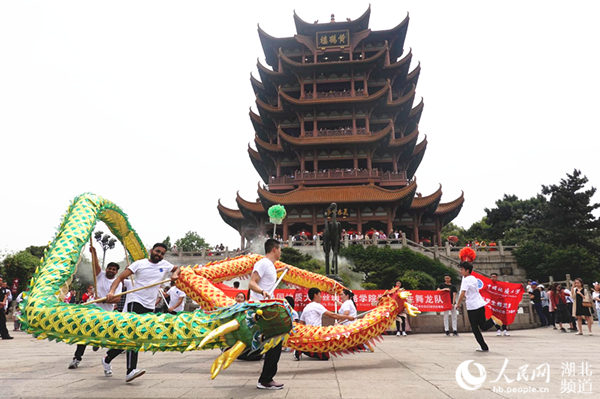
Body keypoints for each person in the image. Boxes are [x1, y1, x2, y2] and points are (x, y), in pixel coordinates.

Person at [103, 243, 179, 383]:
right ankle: (130, 370)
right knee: (134, 336)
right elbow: (119, 278)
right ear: (151, 251)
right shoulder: (139, 264)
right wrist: (112, 291)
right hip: (135, 301)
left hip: (149, 306)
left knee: (133, 338)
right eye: (157, 251)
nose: (159, 255)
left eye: (162, 253)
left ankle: (108, 357)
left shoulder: (165, 264)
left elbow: (178, 268)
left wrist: (174, 274)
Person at [69, 246, 122, 369]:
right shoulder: (100, 275)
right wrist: (94, 253)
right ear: (107, 269)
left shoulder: (118, 282)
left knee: (104, 334)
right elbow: (96, 265)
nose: (111, 271)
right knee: (84, 333)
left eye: (114, 269)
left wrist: (107, 299)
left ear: (116, 272)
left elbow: (118, 299)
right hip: (93, 309)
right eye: (110, 268)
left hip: (107, 313)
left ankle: (97, 342)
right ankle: (77, 358)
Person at [248, 238, 287, 390]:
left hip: (266, 308)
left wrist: (280, 271)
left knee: (276, 341)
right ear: (274, 249)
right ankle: (265, 380)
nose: (281, 252)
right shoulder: (263, 263)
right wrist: (262, 291)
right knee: (275, 341)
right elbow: (252, 283)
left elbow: (266, 276)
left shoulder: (270, 265)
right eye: (280, 249)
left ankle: (266, 378)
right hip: (260, 308)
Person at [294, 287, 355, 360]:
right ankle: (303, 349)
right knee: (325, 356)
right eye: (320, 295)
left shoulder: (306, 307)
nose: (321, 297)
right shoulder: (317, 305)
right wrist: (348, 317)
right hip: (316, 335)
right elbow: (332, 315)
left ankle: (304, 348)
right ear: (315, 295)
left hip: (308, 334)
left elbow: (301, 322)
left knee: (324, 353)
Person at [455, 262, 502, 352]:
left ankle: (484, 347)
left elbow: (462, 293)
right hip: (480, 304)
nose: (460, 271)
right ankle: (493, 320)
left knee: (475, 328)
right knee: (483, 326)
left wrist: (458, 304)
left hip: (472, 306)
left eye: (462, 269)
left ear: (467, 270)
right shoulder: (473, 278)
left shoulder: (466, 280)